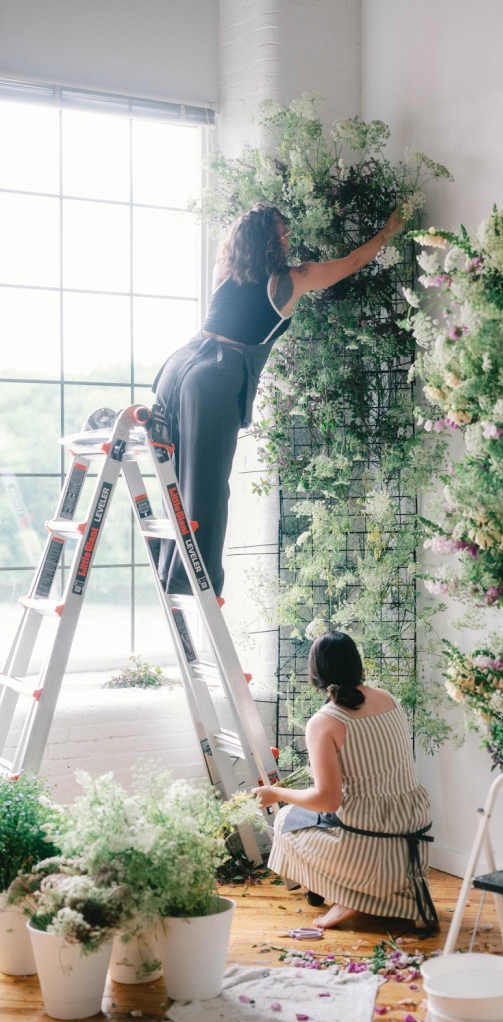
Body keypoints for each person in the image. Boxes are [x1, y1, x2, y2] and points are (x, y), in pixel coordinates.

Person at [153, 203, 406, 596]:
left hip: (179, 367)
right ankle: (192, 587)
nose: (288, 238)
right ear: (268, 240)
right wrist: (391, 228)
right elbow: (354, 261)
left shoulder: (226, 273)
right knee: (206, 489)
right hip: (212, 380)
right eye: (282, 232)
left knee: (176, 479)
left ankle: (168, 571)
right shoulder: (288, 280)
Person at [254, 631, 436, 930]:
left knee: (286, 820)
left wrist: (276, 793)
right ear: (356, 664)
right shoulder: (388, 698)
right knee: (313, 815)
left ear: (315, 674)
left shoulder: (325, 722)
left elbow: (329, 800)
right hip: (412, 838)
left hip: (371, 844)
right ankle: (397, 897)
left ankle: (348, 897)